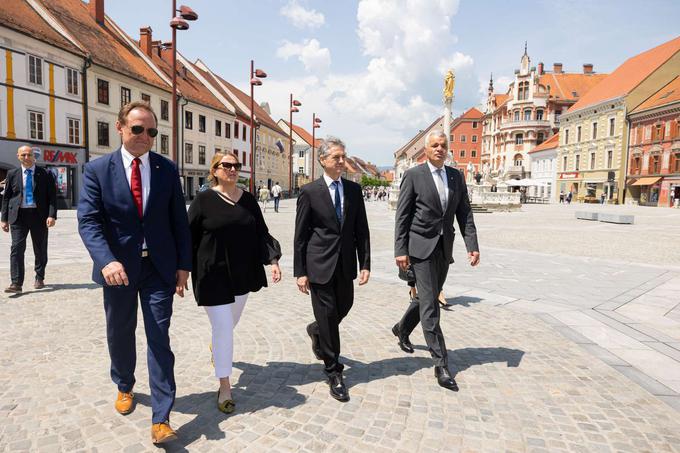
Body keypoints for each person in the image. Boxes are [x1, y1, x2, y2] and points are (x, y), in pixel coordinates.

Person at [77, 101, 191, 445]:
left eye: (152, 131)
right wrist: (106, 260)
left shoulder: (166, 169)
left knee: (159, 336)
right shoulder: (97, 170)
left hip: (158, 268)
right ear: (121, 128)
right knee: (120, 331)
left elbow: (178, 221)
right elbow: (89, 221)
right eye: (138, 128)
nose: (145, 136)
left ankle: (161, 417)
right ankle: (124, 383)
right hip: (119, 270)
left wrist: (184, 265)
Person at [188, 152, 281, 414]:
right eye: (226, 165)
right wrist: (181, 271)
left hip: (242, 273)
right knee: (224, 328)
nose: (232, 169)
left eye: (235, 166)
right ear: (215, 170)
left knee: (230, 324)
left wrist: (273, 260)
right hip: (211, 273)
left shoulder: (248, 199)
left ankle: (217, 348)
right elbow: (188, 235)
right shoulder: (204, 199)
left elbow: (261, 232)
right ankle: (225, 386)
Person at [393, 130, 480, 391]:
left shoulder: (455, 176)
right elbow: (402, 216)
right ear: (426, 150)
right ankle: (441, 362)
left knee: (424, 298)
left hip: (444, 247)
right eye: (435, 145)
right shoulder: (413, 175)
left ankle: (402, 328)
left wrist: (472, 245)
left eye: (443, 145)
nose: (440, 149)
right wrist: (400, 249)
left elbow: (464, 213)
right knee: (431, 304)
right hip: (419, 248)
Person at [294, 136, 370, 402]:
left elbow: (362, 230)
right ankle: (333, 371)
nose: (341, 161)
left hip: (345, 264)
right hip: (319, 264)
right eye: (336, 157)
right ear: (323, 160)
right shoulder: (310, 192)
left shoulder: (353, 190)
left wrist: (366, 263)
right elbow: (301, 235)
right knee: (328, 317)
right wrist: (300, 271)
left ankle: (317, 330)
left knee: (344, 306)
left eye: (343, 156)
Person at [1, 145, 57, 293]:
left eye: (29, 155)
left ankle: (39, 276)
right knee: (16, 248)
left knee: (39, 249)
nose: (26, 158)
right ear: (18, 156)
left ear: (34, 156)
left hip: (39, 216)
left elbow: (52, 197)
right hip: (18, 216)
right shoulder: (12, 174)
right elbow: (6, 198)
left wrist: (51, 215)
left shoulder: (45, 173)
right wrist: (4, 218)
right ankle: (16, 283)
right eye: (23, 155)